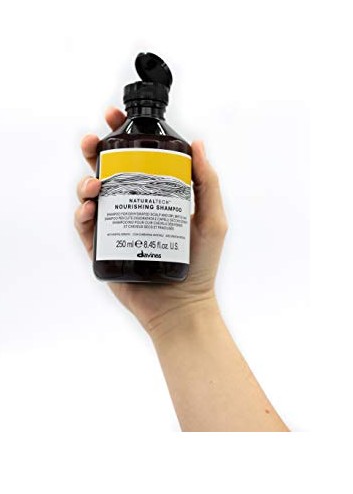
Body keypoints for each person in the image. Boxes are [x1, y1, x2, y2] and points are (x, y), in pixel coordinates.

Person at [74, 106, 290, 432]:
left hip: (174, 272)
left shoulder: (174, 149)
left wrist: (186, 306)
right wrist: (179, 316)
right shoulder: (154, 147)